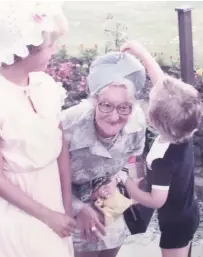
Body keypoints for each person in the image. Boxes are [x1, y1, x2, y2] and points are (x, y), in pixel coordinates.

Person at [0, 2, 75, 257]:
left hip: (53, 192)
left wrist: (66, 202)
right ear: (24, 50)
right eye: (48, 46)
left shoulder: (45, 84)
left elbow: (60, 144)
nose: (55, 50)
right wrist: (48, 216)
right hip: (21, 208)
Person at [120, 41, 202, 257]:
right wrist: (141, 53)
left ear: (154, 120)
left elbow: (157, 200)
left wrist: (128, 185)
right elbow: (161, 84)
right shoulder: (184, 131)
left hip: (176, 224)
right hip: (188, 211)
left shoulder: (162, 160)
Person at [61, 51, 147, 257]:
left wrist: (116, 180)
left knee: (110, 247)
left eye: (124, 108)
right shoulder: (67, 125)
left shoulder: (136, 123)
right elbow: (44, 177)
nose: (114, 117)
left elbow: (134, 163)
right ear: (94, 101)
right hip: (67, 203)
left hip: (109, 205)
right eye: (106, 105)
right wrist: (78, 208)